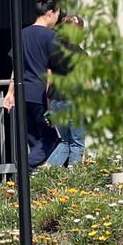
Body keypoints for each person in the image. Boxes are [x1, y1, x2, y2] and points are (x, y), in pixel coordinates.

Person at [3, 0, 61, 171]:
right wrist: (50, 98)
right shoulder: (50, 37)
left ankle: (31, 182)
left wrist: (10, 93)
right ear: (50, 13)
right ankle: (25, 167)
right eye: (58, 14)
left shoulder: (22, 34)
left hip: (22, 94)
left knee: (33, 138)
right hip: (40, 93)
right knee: (51, 138)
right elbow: (51, 70)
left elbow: (16, 68)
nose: (58, 19)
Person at [46, 15, 86, 166]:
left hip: (56, 101)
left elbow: (49, 81)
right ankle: (73, 181)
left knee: (65, 142)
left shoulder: (54, 53)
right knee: (77, 144)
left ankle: (45, 172)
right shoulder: (81, 55)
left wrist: (49, 105)